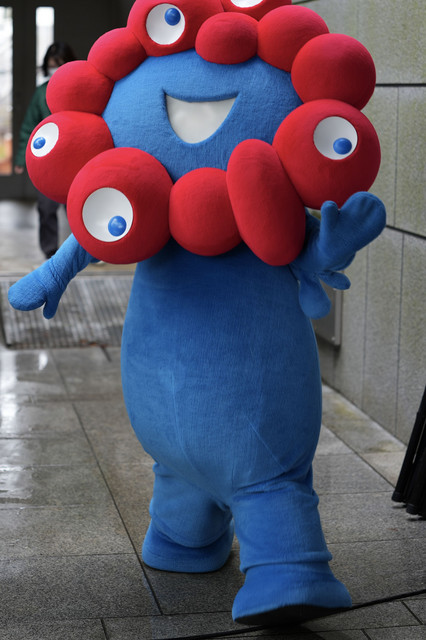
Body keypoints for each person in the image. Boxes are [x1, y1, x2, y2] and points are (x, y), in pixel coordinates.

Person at [14, 42, 76, 259]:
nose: (54, 69)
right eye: (51, 65)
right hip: (48, 161)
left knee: (78, 207)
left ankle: (88, 250)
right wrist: (21, 158)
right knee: (46, 207)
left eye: (59, 64)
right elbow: (29, 127)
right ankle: (50, 252)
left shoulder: (79, 90)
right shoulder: (41, 93)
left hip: (76, 158)